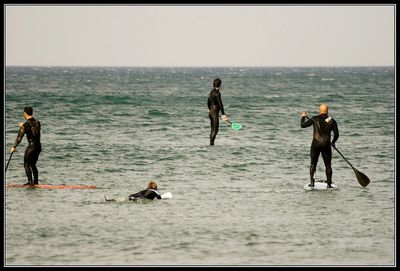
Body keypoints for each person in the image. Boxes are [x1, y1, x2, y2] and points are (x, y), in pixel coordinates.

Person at [301, 104, 339, 188]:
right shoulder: (332, 121)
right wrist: (333, 142)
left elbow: (303, 125)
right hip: (326, 144)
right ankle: (329, 184)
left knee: (313, 164)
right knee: (328, 165)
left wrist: (303, 116)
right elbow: (336, 134)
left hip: (316, 144)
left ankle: (312, 183)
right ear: (327, 111)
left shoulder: (314, 119)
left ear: (320, 110)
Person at [10, 107, 42, 185]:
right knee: (33, 164)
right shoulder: (38, 122)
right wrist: (23, 125)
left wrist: (14, 146)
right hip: (38, 146)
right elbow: (33, 129)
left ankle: (30, 182)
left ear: (25, 113)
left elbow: (19, 137)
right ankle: (36, 182)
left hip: (31, 146)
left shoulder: (25, 125)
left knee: (26, 164)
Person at [207, 78, 228, 145]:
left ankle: (211, 144)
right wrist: (223, 114)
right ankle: (211, 144)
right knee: (215, 130)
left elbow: (208, 102)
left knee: (212, 129)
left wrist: (209, 109)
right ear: (220, 85)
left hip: (211, 113)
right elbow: (220, 104)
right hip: (214, 113)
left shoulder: (211, 92)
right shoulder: (217, 93)